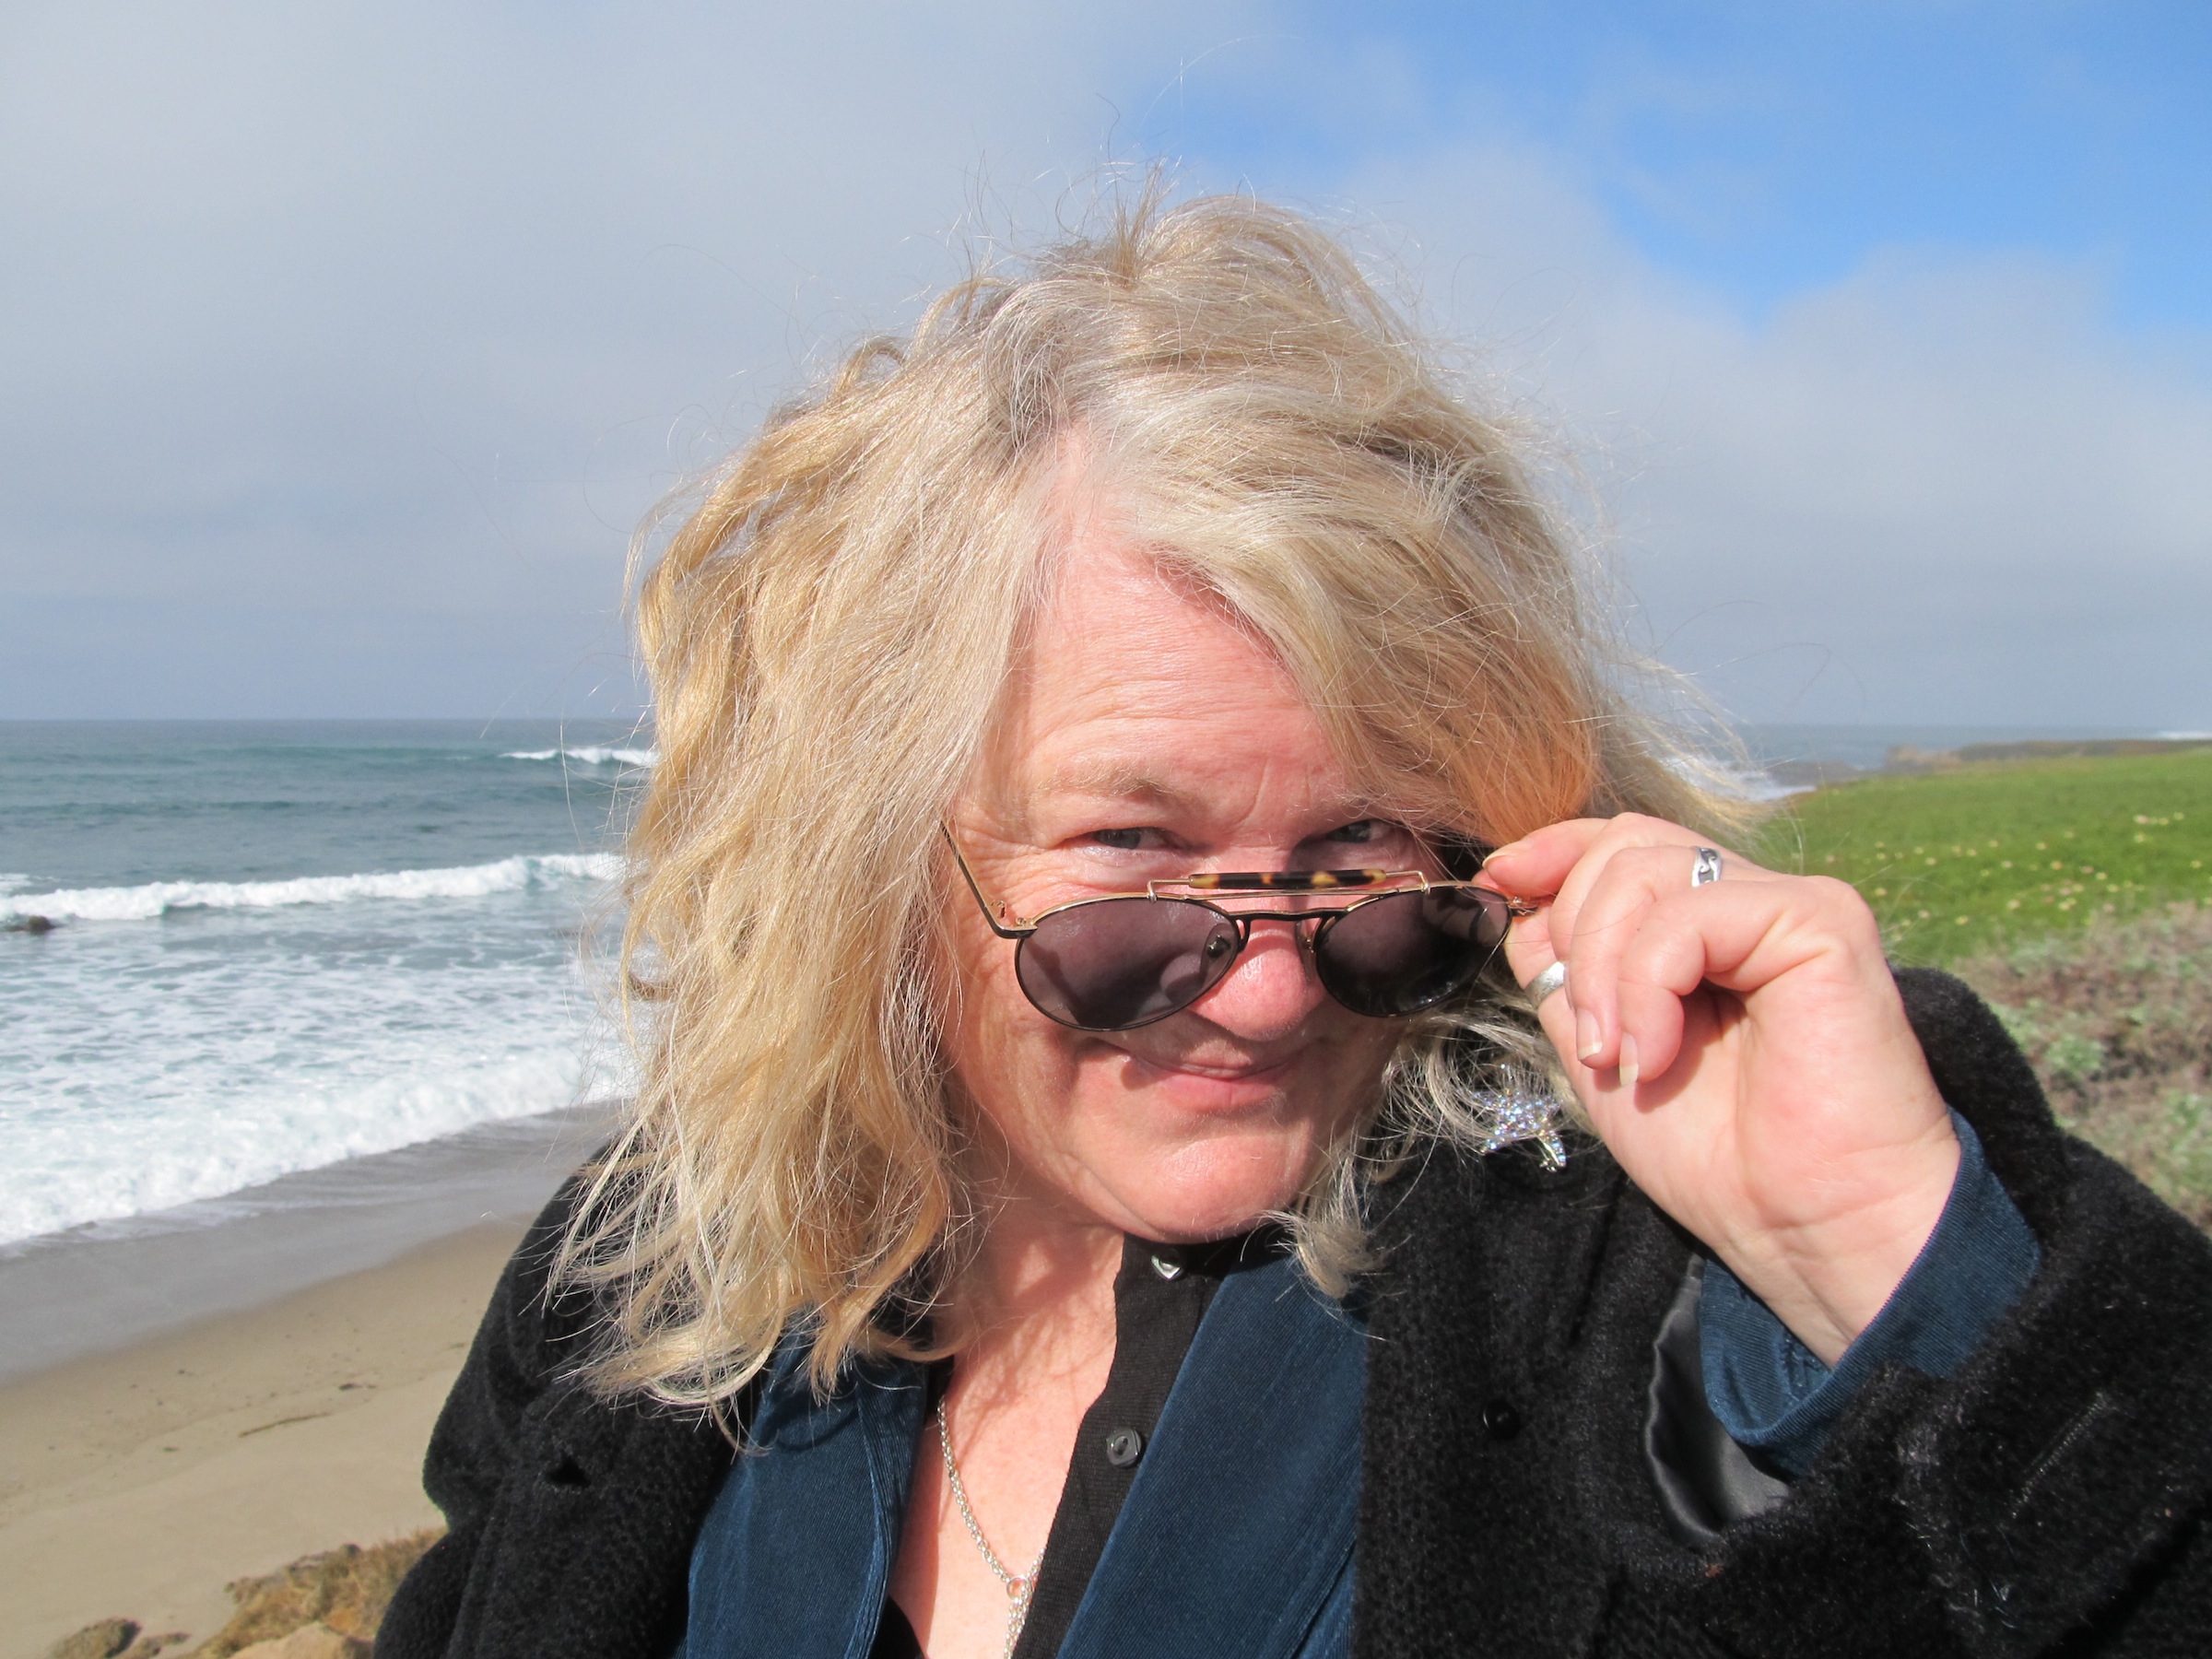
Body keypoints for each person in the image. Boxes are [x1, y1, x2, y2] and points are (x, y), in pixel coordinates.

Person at [378, 196, 2212, 1659]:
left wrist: (1893, 1273)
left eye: (1364, 867)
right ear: (876, 854)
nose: (1264, 997)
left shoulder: (1636, 1282)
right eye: (1133, 856)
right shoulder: (646, 1286)